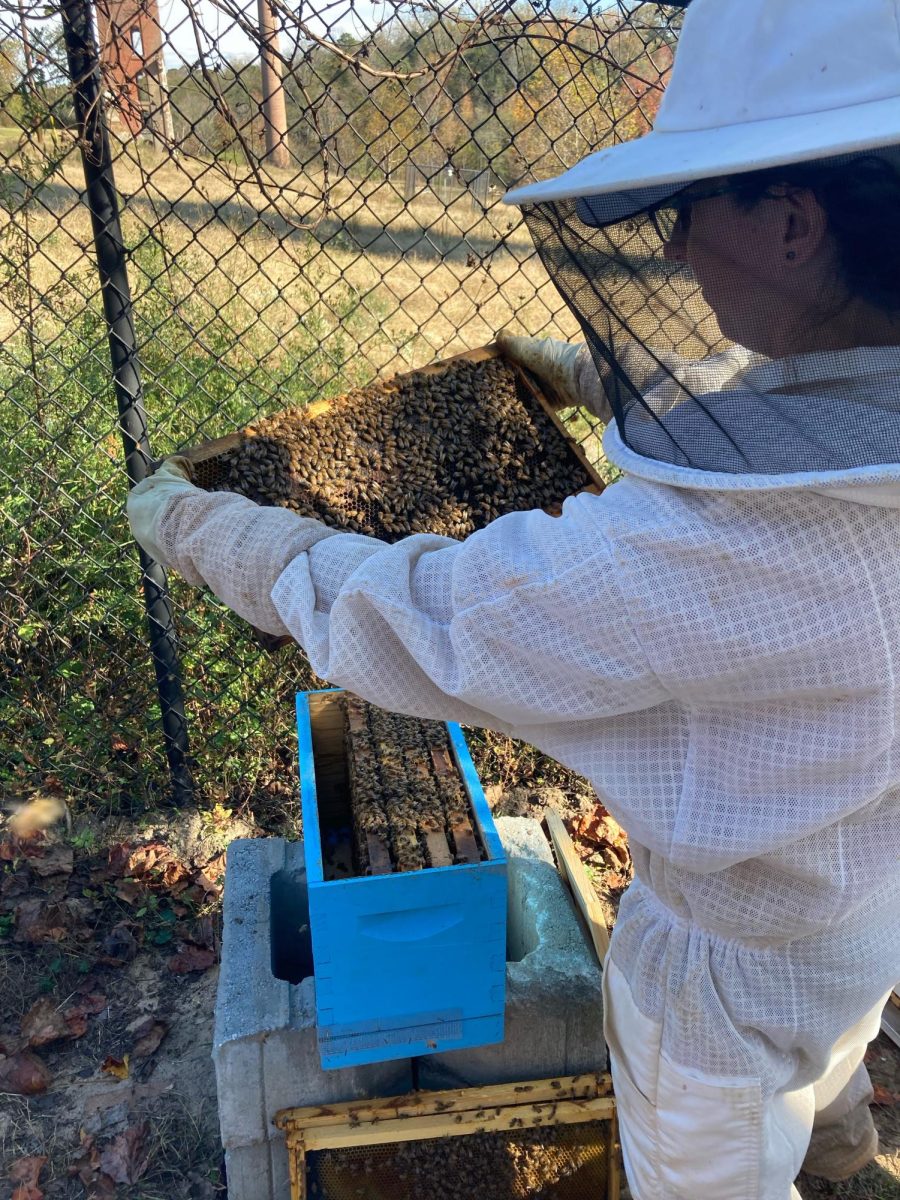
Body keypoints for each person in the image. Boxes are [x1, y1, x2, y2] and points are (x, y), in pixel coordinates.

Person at [128, 0, 900, 1195]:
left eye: (691, 212)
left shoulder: (696, 555)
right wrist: (600, 379)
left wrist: (210, 528)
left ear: (795, 221)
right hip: (862, 904)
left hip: (718, 980)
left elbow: (424, 617)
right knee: (827, 1078)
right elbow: (795, 403)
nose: (677, 250)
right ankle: (848, 1159)